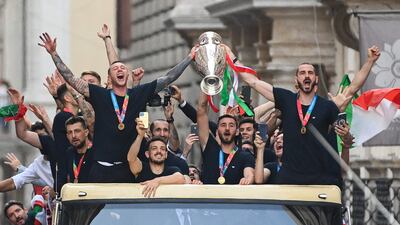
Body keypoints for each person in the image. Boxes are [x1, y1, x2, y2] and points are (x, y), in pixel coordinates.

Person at [39, 32, 196, 183]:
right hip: (101, 169)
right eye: (115, 68)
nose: (120, 69)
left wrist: (189, 58)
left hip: (128, 169)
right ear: (110, 77)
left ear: (127, 75)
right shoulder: (99, 94)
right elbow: (71, 79)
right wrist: (54, 53)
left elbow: (168, 77)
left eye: (123, 68)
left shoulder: (139, 93)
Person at [226, 44, 349, 186]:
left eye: (310, 73)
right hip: (290, 180)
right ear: (296, 79)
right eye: (302, 73)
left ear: (316, 79)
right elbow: (253, 81)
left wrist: (346, 136)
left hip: (318, 181)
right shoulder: (287, 99)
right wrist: (229, 54)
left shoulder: (328, 107)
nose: (307, 76)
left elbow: (342, 135)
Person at [197, 92, 255, 184]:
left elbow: (250, 174)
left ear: (237, 131)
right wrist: (208, 84)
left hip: (232, 198)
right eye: (223, 125)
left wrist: (247, 179)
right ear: (217, 130)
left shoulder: (245, 156)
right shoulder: (209, 148)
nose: (227, 128)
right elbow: (201, 110)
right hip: (209, 198)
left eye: (231, 125)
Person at [127, 118, 185, 197]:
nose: (159, 151)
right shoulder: (141, 168)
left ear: (166, 154)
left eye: (162, 149)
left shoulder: (172, 170)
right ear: (147, 154)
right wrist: (140, 136)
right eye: (154, 148)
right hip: (142, 207)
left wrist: (157, 181)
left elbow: (180, 178)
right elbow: (131, 158)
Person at [65, 116, 93, 183]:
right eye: (70, 132)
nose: (73, 136)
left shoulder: (96, 152)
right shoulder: (69, 153)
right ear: (67, 136)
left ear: (86, 132)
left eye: (77, 131)